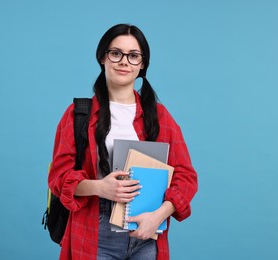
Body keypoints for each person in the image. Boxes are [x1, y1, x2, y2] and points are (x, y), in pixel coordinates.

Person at [48, 23, 198, 260]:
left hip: (147, 229)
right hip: (95, 229)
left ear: (142, 64)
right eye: (116, 53)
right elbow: (58, 177)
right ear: (102, 58)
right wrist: (100, 187)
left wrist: (159, 215)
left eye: (133, 56)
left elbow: (186, 177)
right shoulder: (78, 114)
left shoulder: (160, 117)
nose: (124, 61)